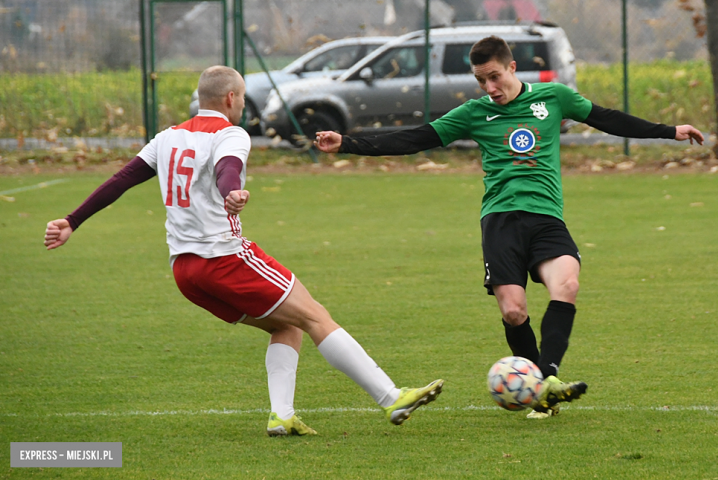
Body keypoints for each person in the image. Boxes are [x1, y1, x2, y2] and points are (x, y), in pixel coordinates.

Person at [315, 36, 704, 419]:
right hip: (500, 221)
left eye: (495, 77)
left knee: (567, 285)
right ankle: (540, 392)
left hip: (546, 216)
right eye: (482, 80)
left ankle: (546, 380)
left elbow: (606, 118)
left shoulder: (554, 97)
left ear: (512, 67)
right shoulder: (473, 112)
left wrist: (669, 131)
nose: (490, 87)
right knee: (514, 312)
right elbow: (416, 138)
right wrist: (347, 142)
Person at [44, 65, 443, 436]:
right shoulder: (230, 134)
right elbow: (227, 169)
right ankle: (392, 398)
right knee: (316, 316)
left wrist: (72, 220)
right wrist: (230, 193)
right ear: (233, 98)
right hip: (224, 258)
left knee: (285, 325)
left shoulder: (166, 137)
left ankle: (282, 415)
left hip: (185, 272)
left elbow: (121, 179)